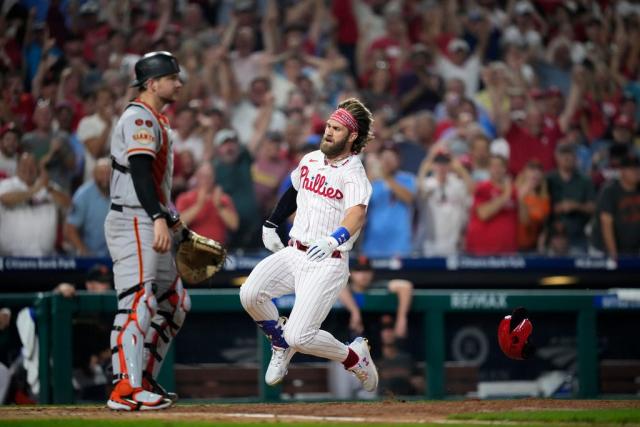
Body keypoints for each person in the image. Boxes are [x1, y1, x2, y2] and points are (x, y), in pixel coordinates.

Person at [239, 98, 379, 393]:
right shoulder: (310, 159)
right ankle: (279, 343)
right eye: (328, 126)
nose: (329, 132)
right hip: (294, 251)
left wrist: (334, 239)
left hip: (328, 260)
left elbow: (357, 213)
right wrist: (271, 222)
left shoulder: (353, 171)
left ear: (352, 136)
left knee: (300, 337)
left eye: (337, 129)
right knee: (250, 293)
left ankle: (355, 357)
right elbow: (293, 189)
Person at [105, 51, 188, 411]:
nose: (179, 83)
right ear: (153, 84)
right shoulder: (139, 116)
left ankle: (143, 377)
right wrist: (157, 216)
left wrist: (171, 220)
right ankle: (124, 387)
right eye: (172, 77)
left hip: (149, 217)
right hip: (133, 219)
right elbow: (140, 170)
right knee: (138, 300)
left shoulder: (156, 118)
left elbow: (151, 181)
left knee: (175, 303)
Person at [0, 152, 71, 256]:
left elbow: (68, 204)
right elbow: (5, 199)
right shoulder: (7, 184)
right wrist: (36, 189)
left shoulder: (49, 187)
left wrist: (48, 188)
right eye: (24, 165)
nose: (28, 169)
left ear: (38, 168)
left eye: (32, 165)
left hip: (45, 258)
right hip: (11, 259)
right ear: (17, 167)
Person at [175, 162, 239, 245]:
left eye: (209, 177)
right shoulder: (185, 198)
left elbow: (234, 225)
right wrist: (198, 205)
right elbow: (178, 225)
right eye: (203, 176)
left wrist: (219, 206)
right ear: (196, 177)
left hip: (218, 249)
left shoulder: (223, 199)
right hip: (193, 249)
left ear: (214, 178)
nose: (206, 180)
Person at [590, 156, 640, 259]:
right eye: (631, 169)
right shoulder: (610, 191)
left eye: (637, 168)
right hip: (604, 251)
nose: (636, 172)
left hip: (633, 249)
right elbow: (606, 223)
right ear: (622, 171)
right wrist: (614, 255)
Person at [65, 157, 111, 257]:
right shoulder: (83, 195)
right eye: (101, 173)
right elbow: (70, 229)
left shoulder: (119, 192)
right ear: (93, 175)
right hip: (90, 256)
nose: (105, 178)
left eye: (108, 173)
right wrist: (84, 252)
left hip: (115, 255)